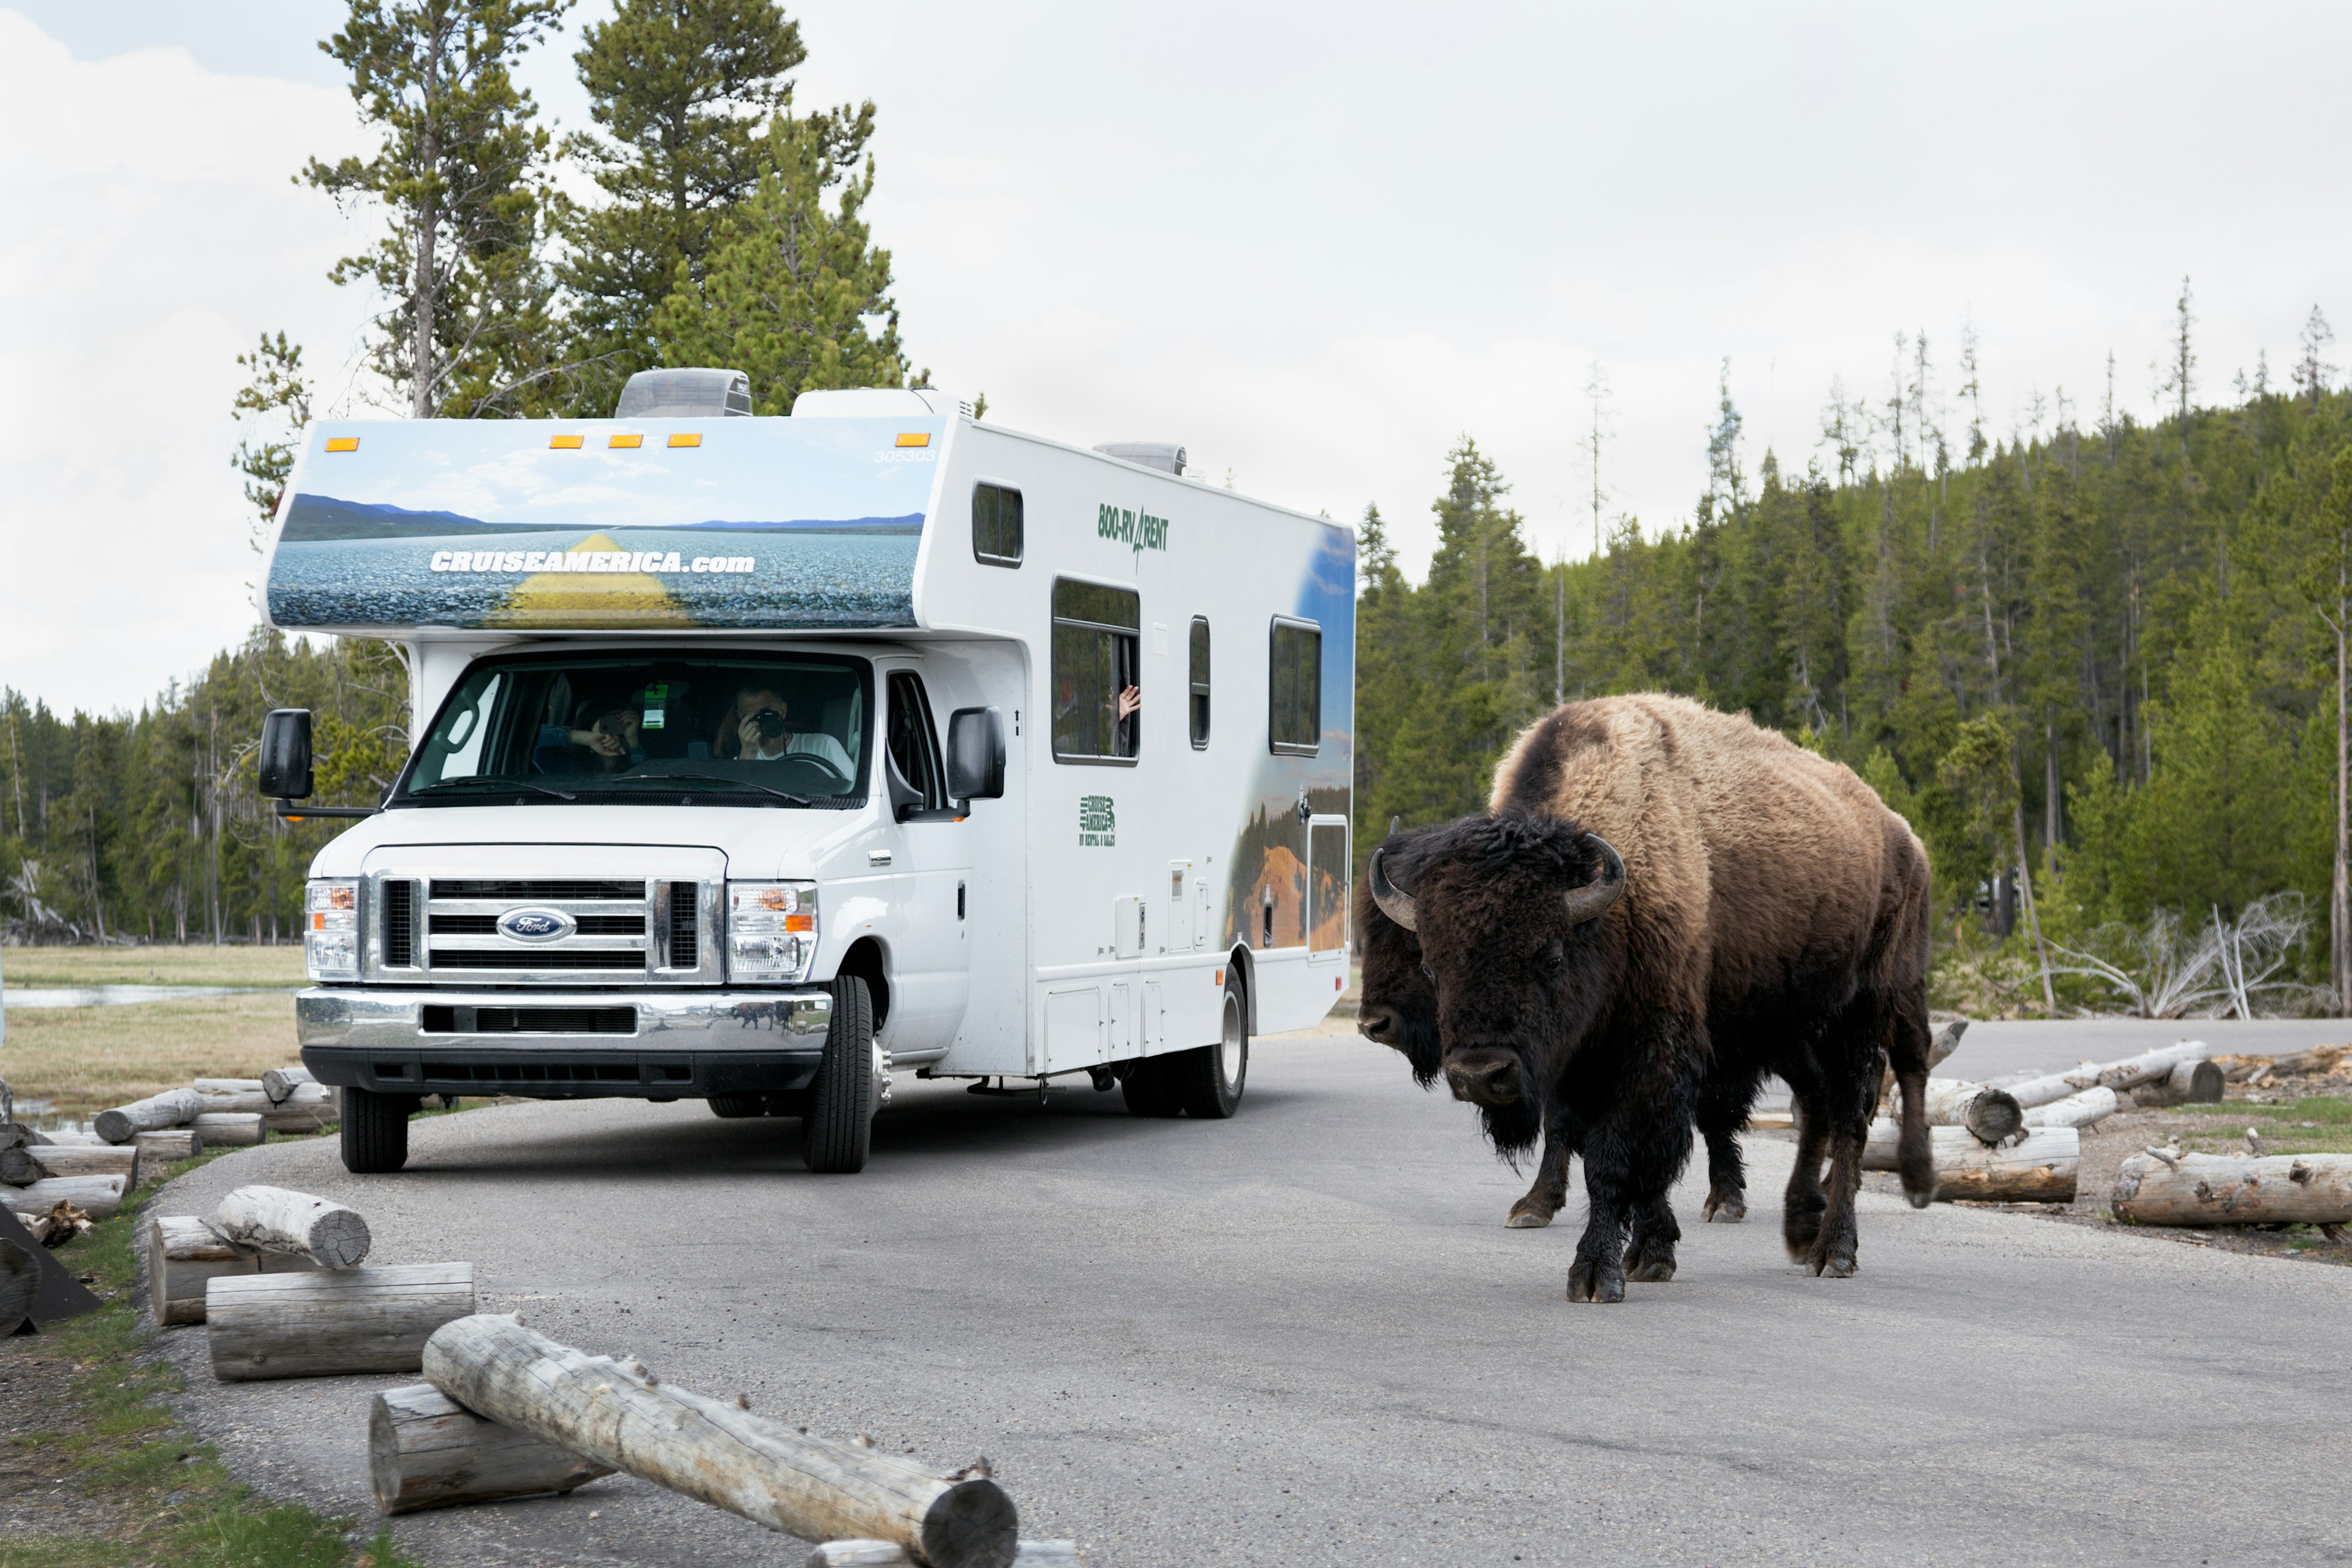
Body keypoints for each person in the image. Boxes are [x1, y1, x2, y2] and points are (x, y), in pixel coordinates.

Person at [720, 685, 856, 777]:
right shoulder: (742, 762)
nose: (760, 723)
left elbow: (854, 793)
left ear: (782, 711)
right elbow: (737, 804)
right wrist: (748, 755)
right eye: (751, 716)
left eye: (766, 714)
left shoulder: (823, 746)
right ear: (741, 718)